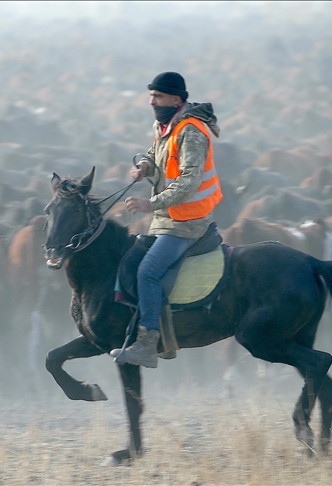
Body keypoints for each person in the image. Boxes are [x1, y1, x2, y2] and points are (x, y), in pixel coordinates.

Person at [110, 72, 223, 369]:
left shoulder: (192, 132)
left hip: (188, 221)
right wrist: (145, 166)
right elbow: (155, 153)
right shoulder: (165, 126)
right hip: (167, 219)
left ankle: (148, 345)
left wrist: (150, 204)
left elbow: (188, 182)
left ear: (176, 99)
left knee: (148, 272)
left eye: (157, 97)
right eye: (151, 96)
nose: (151, 102)